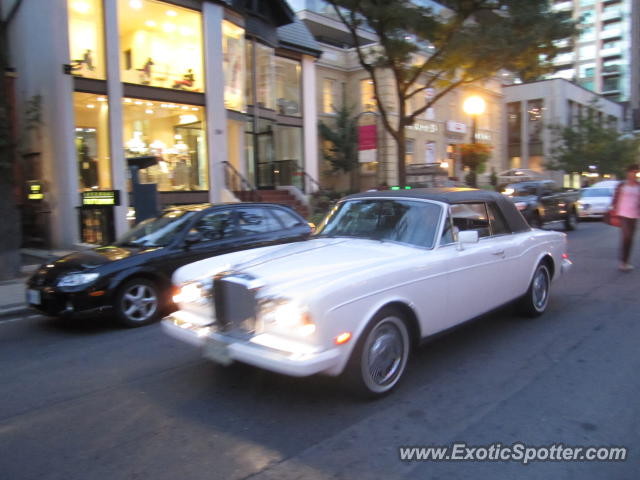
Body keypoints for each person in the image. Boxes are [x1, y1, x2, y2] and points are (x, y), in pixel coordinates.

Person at [611, 164, 640, 271]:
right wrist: (614, 211)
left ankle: (626, 261)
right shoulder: (622, 185)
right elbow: (615, 200)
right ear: (628, 173)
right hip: (623, 215)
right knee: (626, 237)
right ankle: (623, 263)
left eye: (636, 173)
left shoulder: (638, 186)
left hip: (634, 215)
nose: (634, 175)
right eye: (633, 172)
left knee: (630, 239)